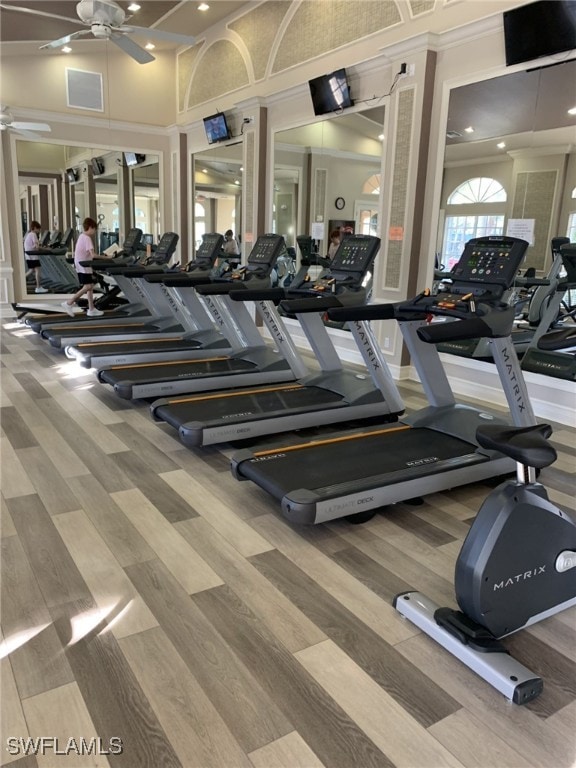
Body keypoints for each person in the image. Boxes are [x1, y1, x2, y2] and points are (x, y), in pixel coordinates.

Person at [61, 216, 112, 317]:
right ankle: (69, 303)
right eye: (94, 229)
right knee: (88, 286)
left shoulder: (81, 236)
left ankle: (91, 309)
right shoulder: (87, 238)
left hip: (82, 265)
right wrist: (107, 257)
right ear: (90, 227)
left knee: (90, 288)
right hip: (84, 266)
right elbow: (93, 255)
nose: (94, 232)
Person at [23, 220, 48, 293]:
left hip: (28, 256)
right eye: (38, 229)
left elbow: (35, 246)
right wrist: (46, 249)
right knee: (38, 270)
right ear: (34, 228)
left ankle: (20, 281)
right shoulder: (33, 234)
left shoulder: (29, 234)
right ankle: (38, 287)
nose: (39, 230)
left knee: (31, 270)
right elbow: (37, 247)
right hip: (32, 256)